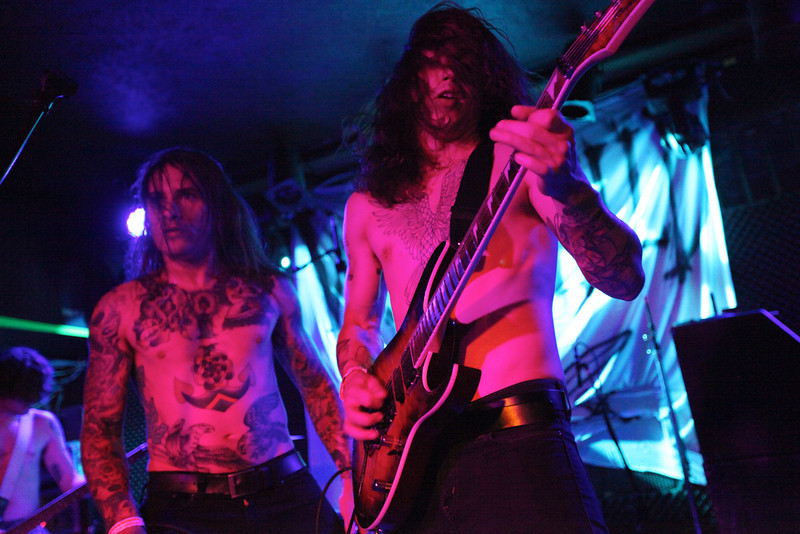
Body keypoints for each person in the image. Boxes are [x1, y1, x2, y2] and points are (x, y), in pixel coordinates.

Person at [337, 4, 645, 533]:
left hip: (517, 435)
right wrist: (353, 379)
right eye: (433, 61)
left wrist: (568, 190)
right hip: (413, 463)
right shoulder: (367, 206)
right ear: (408, 79)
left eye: (463, 62)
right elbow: (358, 324)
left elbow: (624, 279)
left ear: (486, 77)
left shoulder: (518, 162)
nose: (448, 75)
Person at [80, 147, 353, 534]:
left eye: (186, 194)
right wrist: (122, 520)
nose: (170, 211)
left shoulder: (269, 289)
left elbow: (316, 385)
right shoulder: (120, 309)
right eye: (156, 200)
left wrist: (351, 476)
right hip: (183, 511)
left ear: (216, 203)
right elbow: (100, 427)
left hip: (287, 493)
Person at [0, 346, 85, 533]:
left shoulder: (41, 423)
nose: (29, 401)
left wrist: (101, 478)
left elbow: (69, 481)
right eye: (23, 395)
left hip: (28, 527)